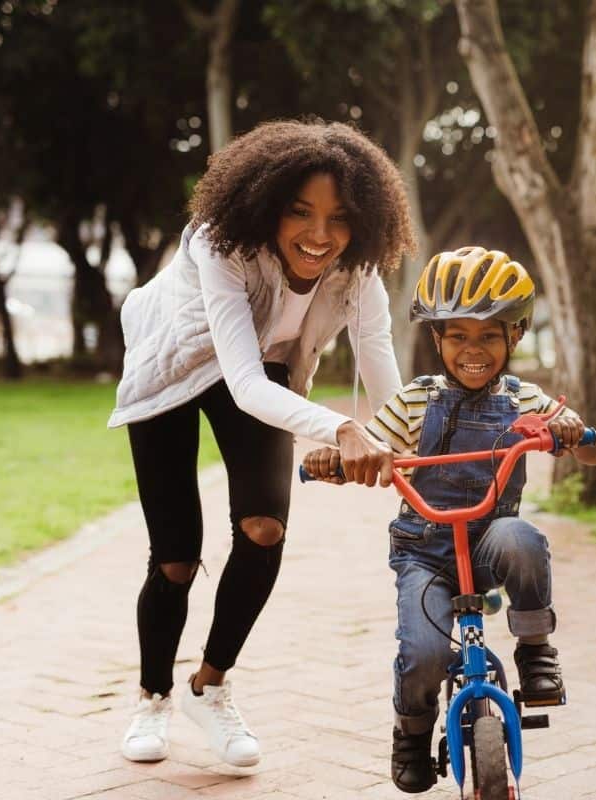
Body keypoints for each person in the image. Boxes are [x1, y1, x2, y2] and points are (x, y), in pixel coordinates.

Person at [106, 119, 416, 767]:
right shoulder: (220, 246)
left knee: (265, 526)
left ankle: (208, 687)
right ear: (266, 206)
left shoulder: (357, 271)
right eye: (300, 213)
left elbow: (379, 357)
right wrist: (342, 427)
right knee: (175, 559)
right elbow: (242, 383)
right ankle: (152, 696)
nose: (320, 235)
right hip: (173, 369)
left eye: (339, 218)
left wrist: (405, 437)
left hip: (262, 368)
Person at [302, 246, 596, 793]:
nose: (473, 350)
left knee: (523, 538)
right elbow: (372, 444)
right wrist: (340, 458)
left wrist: (572, 433)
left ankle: (535, 649)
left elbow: (594, 451)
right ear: (437, 340)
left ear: (514, 337)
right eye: (458, 336)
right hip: (426, 551)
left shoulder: (525, 400)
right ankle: (412, 733)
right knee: (421, 654)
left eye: (489, 335)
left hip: (489, 541)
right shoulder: (418, 400)